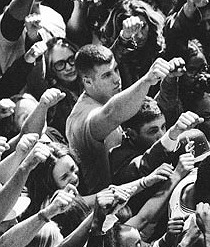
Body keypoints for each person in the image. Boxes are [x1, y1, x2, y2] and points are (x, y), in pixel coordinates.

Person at [65, 44, 178, 194]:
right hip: (108, 204)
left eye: (116, 69)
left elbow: (150, 115)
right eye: (107, 75)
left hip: (133, 186)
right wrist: (146, 80)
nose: (117, 79)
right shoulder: (83, 117)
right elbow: (110, 113)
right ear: (87, 82)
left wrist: (169, 80)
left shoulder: (109, 96)